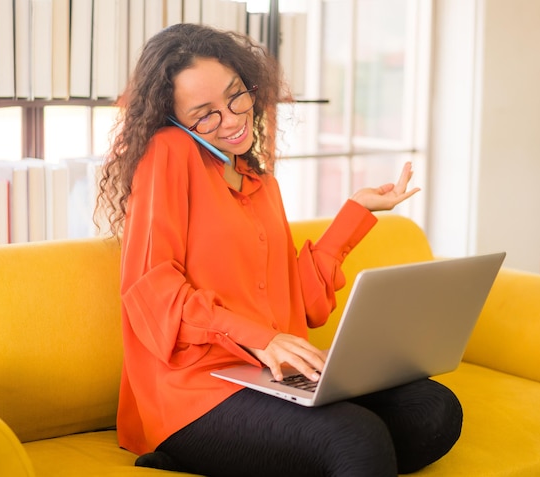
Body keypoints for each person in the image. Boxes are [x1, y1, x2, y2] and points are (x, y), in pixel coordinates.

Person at [99, 23, 462, 477]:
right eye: (205, 114)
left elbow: (301, 305)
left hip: (270, 377)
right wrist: (261, 339)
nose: (231, 119)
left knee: (434, 408)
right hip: (193, 394)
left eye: (236, 96)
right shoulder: (167, 153)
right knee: (356, 438)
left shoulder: (259, 180)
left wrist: (355, 213)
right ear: (175, 120)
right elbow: (153, 291)